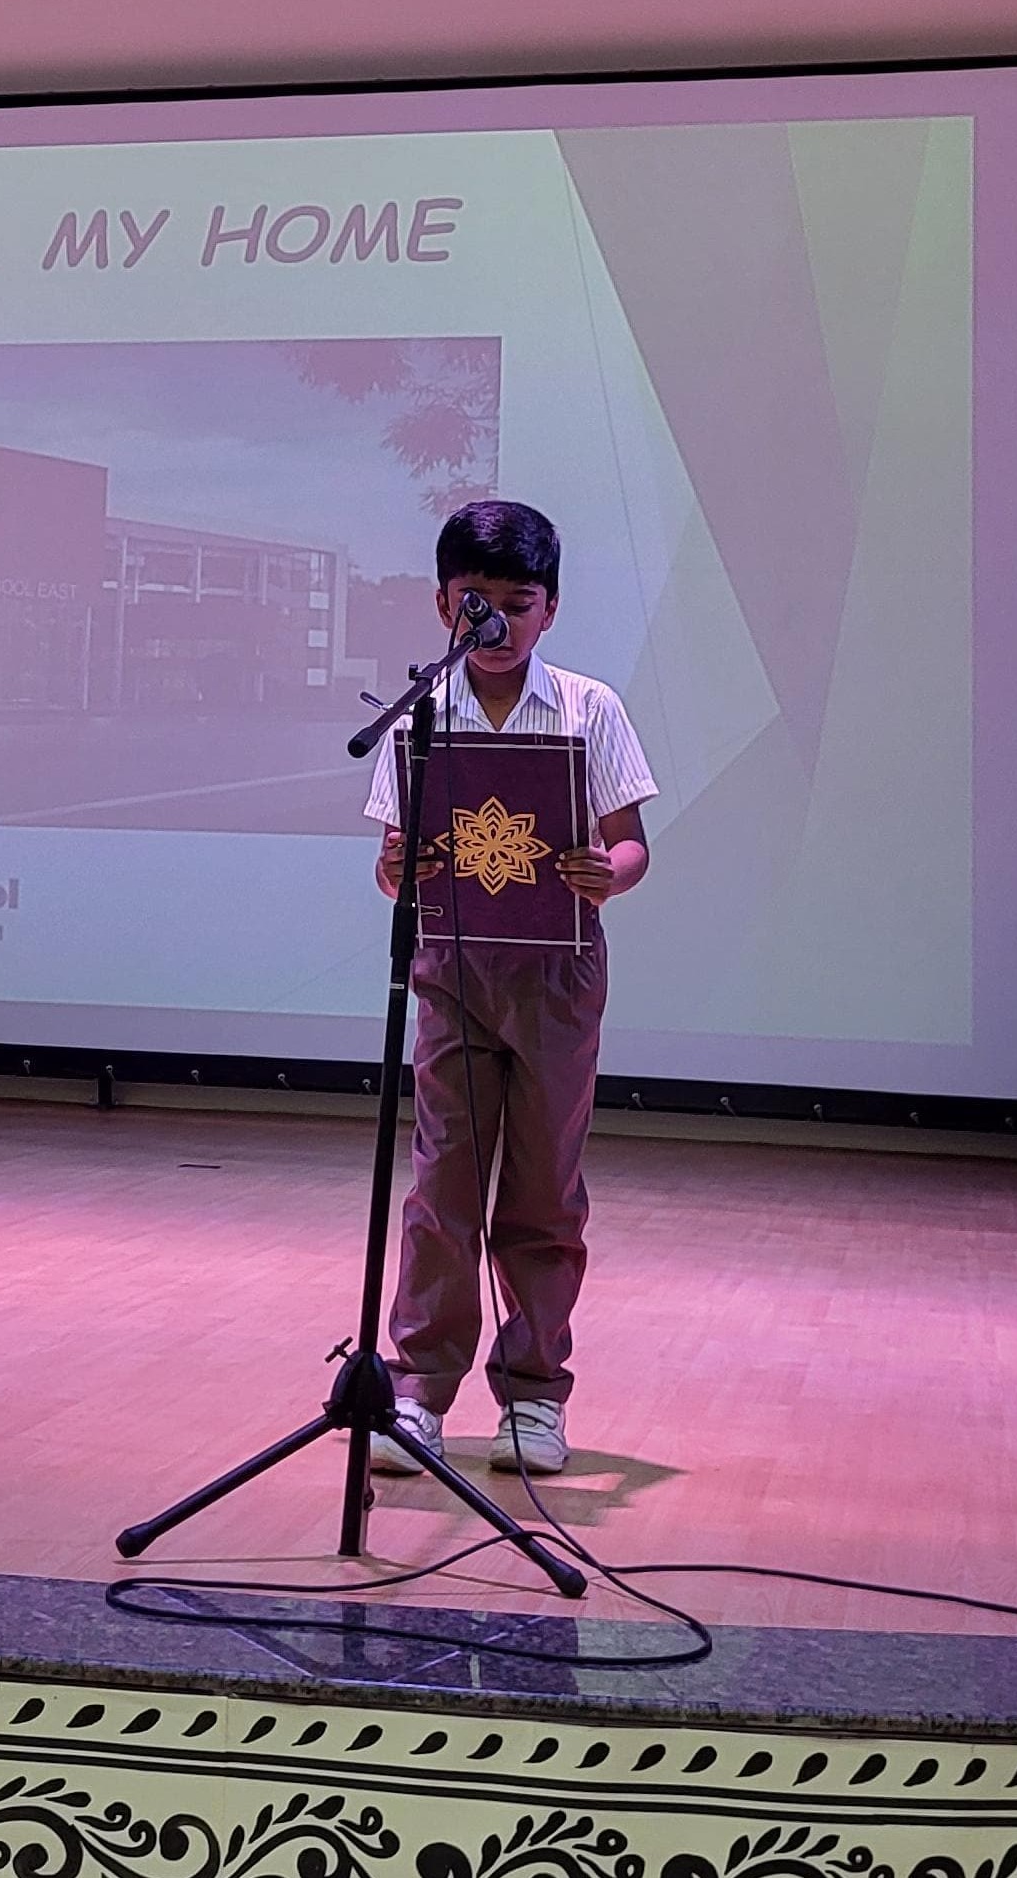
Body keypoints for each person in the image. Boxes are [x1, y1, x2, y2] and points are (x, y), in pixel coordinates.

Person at [363, 501, 656, 1477]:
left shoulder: (588, 708)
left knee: (542, 1186)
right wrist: (396, 867)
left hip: (556, 974)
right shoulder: (422, 713)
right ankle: (418, 1390)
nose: (494, 621)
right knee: (442, 1181)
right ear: (441, 602)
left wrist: (608, 872)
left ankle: (533, 1393)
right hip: (451, 968)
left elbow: (630, 843)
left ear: (550, 609)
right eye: (473, 601)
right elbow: (393, 863)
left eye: (517, 603)